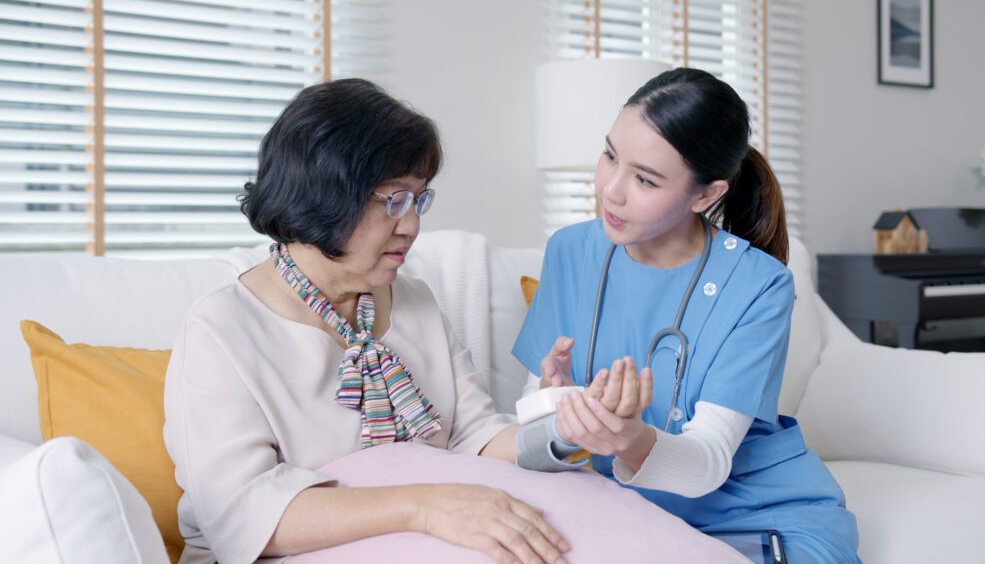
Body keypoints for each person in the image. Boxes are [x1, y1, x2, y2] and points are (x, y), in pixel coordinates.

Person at [163, 79, 570, 564]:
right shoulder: (221, 329)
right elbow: (242, 514)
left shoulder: (412, 301)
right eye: (394, 200)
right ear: (324, 194)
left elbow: (473, 437)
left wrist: (564, 427)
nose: (413, 225)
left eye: (419, 200)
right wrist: (425, 506)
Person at [512, 67, 861, 563]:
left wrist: (629, 440)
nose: (611, 190)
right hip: (617, 512)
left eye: (645, 179)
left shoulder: (759, 284)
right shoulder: (570, 252)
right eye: (610, 155)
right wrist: (556, 412)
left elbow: (710, 461)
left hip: (753, 514)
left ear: (705, 194)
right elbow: (526, 448)